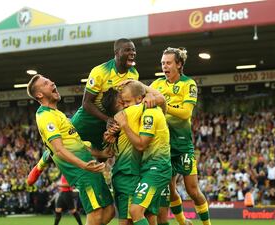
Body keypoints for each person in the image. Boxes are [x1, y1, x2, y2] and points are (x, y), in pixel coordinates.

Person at [27, 38, 140, 184]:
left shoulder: (134, 74)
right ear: (117, 53)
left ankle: (102, 185)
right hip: (87, 118)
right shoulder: (100, 71)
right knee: (62, 144)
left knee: (104, 156)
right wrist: (107, 119)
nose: (132, 53)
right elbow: (86, 103)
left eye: (133, 50)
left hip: (108, 121)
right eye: (128, 50)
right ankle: (40, 165)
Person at [26, 74, 115, 225]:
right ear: (40, 94)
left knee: (110, 211)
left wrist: (100, 153)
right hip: (82, 171)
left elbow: (77, 144)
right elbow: (59, 150)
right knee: (97, 213)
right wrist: (83, 165)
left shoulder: (58, 114)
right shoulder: (45, 116)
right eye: (46, 83)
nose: (52, 82)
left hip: (89, 167)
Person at [151, 47, 211, 225]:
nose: (164, 66)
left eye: (168, 63)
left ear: (179, 64)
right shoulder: (156, 85)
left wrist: (164, 105)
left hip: (183, 144)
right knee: (169, 189)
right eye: (162, 63)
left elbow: (186, 113)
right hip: (163, 146)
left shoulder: (188, 84)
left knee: (192, 190)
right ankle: (183, 222)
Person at [102, 81, 166, 225]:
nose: (126, 104)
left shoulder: (117, 120)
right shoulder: (129, 112)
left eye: (127, 101)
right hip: (130, 175)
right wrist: (147, 92)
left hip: (131, 174)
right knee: (137, 218)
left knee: (145, 217)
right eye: (124, 101)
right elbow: (162, 99)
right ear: (120, 101)